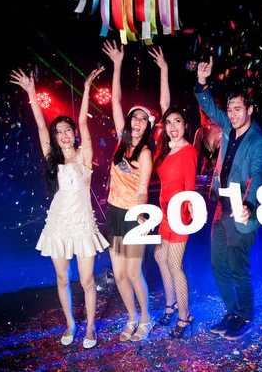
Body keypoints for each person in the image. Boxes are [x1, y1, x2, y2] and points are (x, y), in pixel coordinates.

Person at [10, 67, 109, 350]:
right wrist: (31, 92)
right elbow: (41, 126)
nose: (64, 135)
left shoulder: (85, 156)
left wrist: (87, 88)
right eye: (59, 132)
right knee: (63, 277)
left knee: (87, 280)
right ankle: (70, 324)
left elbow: (84, 122)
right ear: (55, 138)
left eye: (68, 130)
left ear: (74, 134)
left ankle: (90, 327)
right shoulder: (52, 158)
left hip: (82, 225)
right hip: (58, 225)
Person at [194, 56, 262, 340]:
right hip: (220, 209)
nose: (233, 114)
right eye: (230, 109)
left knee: (238, 268)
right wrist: (202, 83)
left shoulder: (258, 141)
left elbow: (258, 174)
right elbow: (208, 106)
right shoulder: (227, 127)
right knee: (217, 264)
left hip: (241, 210)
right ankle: (231, 311)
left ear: (249, 109)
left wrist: (249, 204)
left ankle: (244, 315)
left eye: (239, 109)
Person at [102, 40, 155, 342]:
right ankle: (132, 317)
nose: (136, 122)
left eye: (142, 119)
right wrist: (117, 64)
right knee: (119, 275)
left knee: (135, 273)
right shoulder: (121, 143)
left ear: (147, 125)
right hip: (114, 214)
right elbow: (115, 102)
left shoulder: (145, 152)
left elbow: (144, 190)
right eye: (134, 117)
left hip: (135, 216)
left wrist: (141, 222)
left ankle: (145, 319)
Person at [148, 47, 199, 338]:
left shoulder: (189, 151)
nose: (172, 127)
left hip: (180, 214)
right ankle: (170, 306)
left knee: (174, 264)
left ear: (185, 125)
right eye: (168, 123)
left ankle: (184, 316)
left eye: (177, 122)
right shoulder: (165, 151)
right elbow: (165, 105)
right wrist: (163, 71)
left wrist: (190, 214)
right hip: (164, 214)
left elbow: (190, 187)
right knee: (159, 257)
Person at [193, 107, 223, 178]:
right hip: (206, 175)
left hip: (223, 176)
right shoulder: (201, 132)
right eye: (207, 118)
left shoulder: (227, 132)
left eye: (214, 117)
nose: (212, 121)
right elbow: (193, 157)